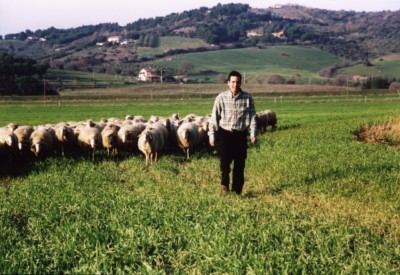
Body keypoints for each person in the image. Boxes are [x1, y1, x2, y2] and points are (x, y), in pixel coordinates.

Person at [208, 70, 257, 195]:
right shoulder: (221, 97)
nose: (235, 84)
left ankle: (237, 190)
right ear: (228, 83)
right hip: (225, 134)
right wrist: (212, 134)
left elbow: (252, 117)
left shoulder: (247, 98)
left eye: (238, 82)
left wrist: (253, 133)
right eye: (233, 82)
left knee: (239, 164)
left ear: (241, 82)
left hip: (240, 134)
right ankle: (224, 185)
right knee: (225, 163)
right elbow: (215, 117)